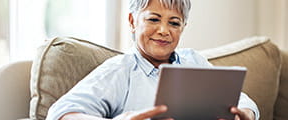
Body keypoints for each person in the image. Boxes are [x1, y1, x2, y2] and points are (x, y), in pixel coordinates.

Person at [46, 0, 260, 120]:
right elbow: (60, 114)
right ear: (132, 21)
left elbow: (241, 100)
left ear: (183, 28)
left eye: (174, 23)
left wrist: (245, 115)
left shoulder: (193, 60)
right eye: (153, 19)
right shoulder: (120, 71)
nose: (163, 30)